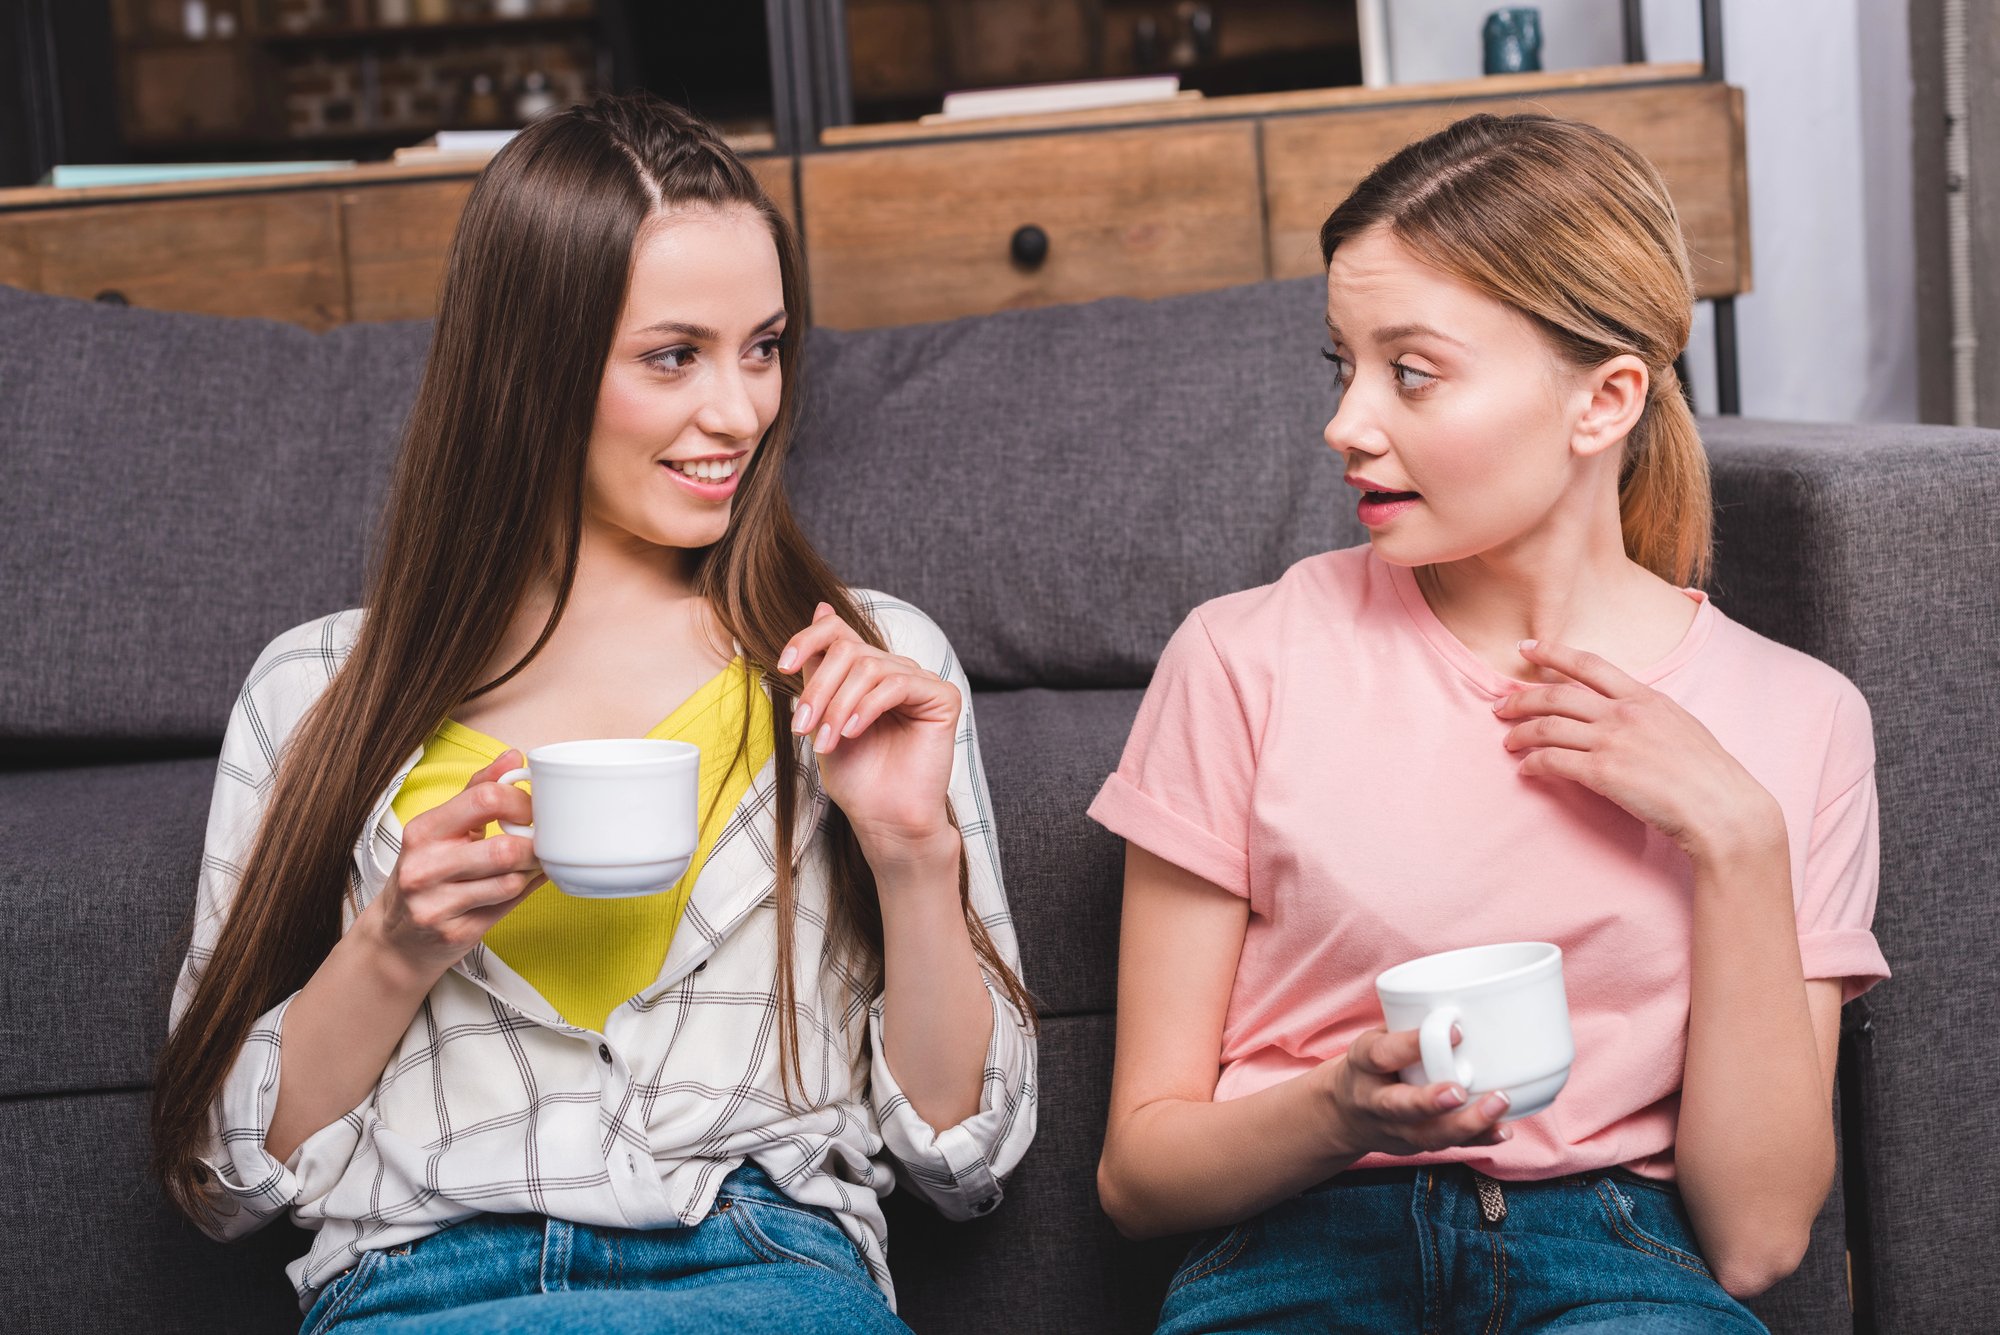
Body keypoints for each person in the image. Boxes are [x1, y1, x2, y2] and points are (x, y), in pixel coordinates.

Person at [149, 95, 1036, 1335]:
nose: (738, 411)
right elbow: (216, 1178)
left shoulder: (864, 667)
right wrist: (395, 946)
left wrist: (908, 855)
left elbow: (964, 1154)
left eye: (764, 346)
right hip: (425, 1286)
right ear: (533, 367)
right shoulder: (318, 694)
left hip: (765, 1270)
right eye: (673, 356)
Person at [1090, 113, 1887, 1334]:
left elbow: (1756, 1240)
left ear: (1603, 400)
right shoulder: (1242, 658)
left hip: (1619, 1268)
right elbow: (1139, 1179)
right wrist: (1336, 1112)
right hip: (1298, 1256)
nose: (1345, 423)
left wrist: (1733, 834)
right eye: (1340, 365)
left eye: (1409, 372)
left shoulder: (1798, 720)